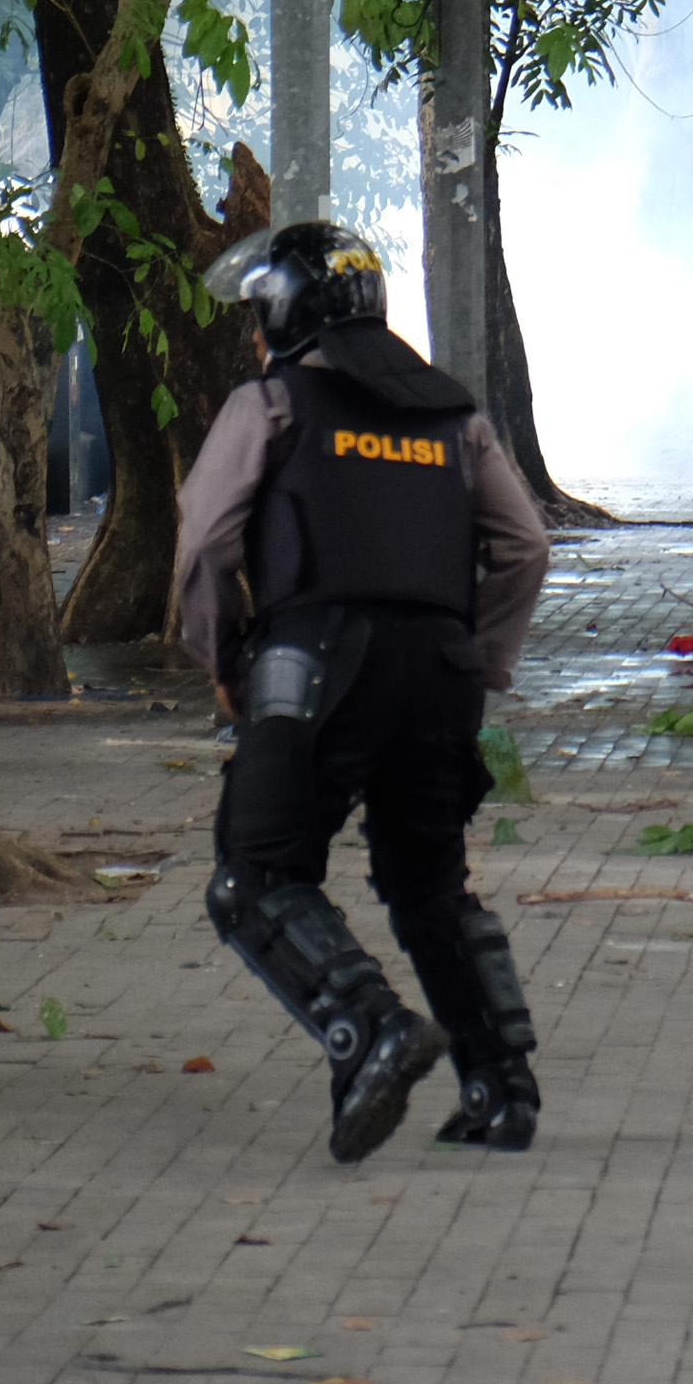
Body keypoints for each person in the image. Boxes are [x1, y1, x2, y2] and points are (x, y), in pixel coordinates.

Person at [175, 221, 552, 1160]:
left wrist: (222, 660)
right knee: (429, 885)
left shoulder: (271, 404)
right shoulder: (454, 416)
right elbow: (525, 548)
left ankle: (366, 1025)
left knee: (256, 877)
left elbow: (206, 542)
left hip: (315, 669)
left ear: (281, 316)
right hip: (441, 675)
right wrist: (479, 658)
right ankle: (501, 1089)